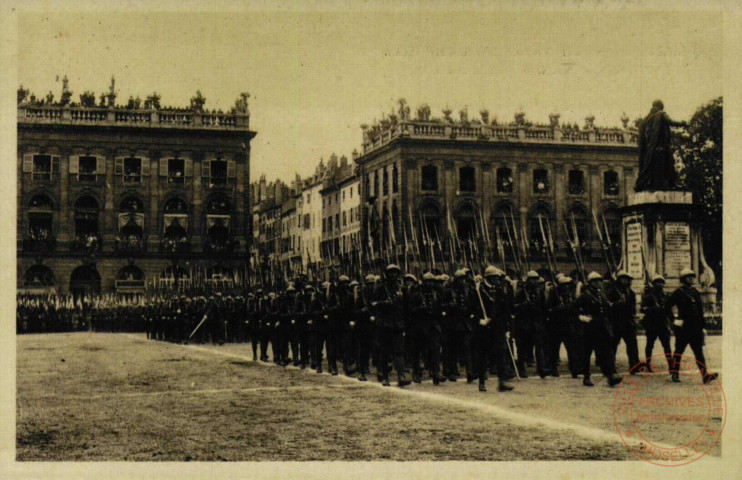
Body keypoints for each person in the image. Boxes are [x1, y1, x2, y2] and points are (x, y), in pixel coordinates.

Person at [667, 269, 718, 384]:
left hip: (695, 328)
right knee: (678, 352)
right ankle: (675, 374)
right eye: (688, 277)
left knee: (699, 352)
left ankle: (705, 375)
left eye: (692, 276)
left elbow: (700, 311)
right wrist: (674, 320)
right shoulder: (678, 293)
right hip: (683, 328)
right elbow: (667, 307)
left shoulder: (695, 292)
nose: (691, 278)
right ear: (683, 279)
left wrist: (703, 327)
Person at [575, 272, 622, 387]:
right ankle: (586, 376)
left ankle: (610, 375)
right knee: (587, 353)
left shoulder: (602, 295)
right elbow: (575, 310)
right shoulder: (584, 296)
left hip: (602, 328)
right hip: (589, 328)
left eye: (599, 281)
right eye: (595, 281)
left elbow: (606, 309)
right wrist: (581, 317)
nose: (598, 283)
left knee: (607, 352)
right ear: (590, 283)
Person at [474, 266, 514, 393]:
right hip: (484, 329)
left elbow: (506, 311)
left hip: (498, 328)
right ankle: (481, 381)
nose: (498, 280)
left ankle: (502, 382)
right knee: (483, 355)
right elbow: (471, 310)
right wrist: (479, 320)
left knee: (501, 354)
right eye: (495, 278)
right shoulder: (478, 291)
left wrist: (507, 328)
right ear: (489, 278)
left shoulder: (500, 291)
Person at [635, 100, 686, 192]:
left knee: (652, 167)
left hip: (650, 149)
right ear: (660, 106)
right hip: (662, 146)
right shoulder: (661, 114)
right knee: (669, 163)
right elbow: (670, 121)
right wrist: (682, 123)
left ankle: (650, 184)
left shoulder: (645, 119)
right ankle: (672, 183)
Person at [373, 264, 411, 387]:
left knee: (399, 351)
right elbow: (373, 304)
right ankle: (385, 377)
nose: (393, 275)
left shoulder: (402, 288)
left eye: (395, 273)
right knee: (385, 351)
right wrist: (384, 303)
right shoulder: (380, 288)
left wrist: (405, 323)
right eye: (391, 273)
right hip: (385, 324)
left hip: (398, 324)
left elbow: (406, 307)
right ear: (386, 274)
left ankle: (401, 375)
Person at [512, 270, 549, 378]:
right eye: (532, 279)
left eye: (536, 279)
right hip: (523, 324)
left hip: (536, 324)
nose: (535, 282)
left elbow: (543, 308)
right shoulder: (520, 292)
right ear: (527, 280)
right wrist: (524, 305)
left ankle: (541, 369)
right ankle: (521, 369)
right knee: (522, 348)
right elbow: (514, 306)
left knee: (539, 347)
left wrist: (542, 322)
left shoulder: (539, 292)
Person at [607, 271, 641, 374]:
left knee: (632, 345)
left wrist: (634, 320)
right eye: (622, 278)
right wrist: (618, 304)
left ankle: (634, 366)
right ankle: (611, 367)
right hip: (616, 323)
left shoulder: (631, 293)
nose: (624, 281)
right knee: (613, 346)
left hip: (628, 323)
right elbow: (608, 306)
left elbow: (632, 308)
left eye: (626, 279)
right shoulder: (612, 291)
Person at [546, 275, 579, 378]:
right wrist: (557, 309)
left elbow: (574, 308)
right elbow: (548, 309)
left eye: (567, 285)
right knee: (554, 350)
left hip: (568, 325)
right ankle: (553, 369)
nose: (566, 287)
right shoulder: (554, 294)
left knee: (572, 349)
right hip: (556, 326)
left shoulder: (569, 296)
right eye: (564, 285)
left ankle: (574, 369)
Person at [641, 274, 673, 372]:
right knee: (650, 345)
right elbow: (643, 309)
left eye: (661, 282)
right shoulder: (648, 296)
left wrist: (672, 321)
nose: (659, 284)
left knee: (667, 346)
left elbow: (669, 310)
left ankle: (671, 365)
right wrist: (653, 309)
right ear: (654, 284)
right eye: (657, 282)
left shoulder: (666, 296)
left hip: (663, 323)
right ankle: (648, 364)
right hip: (652, 323)